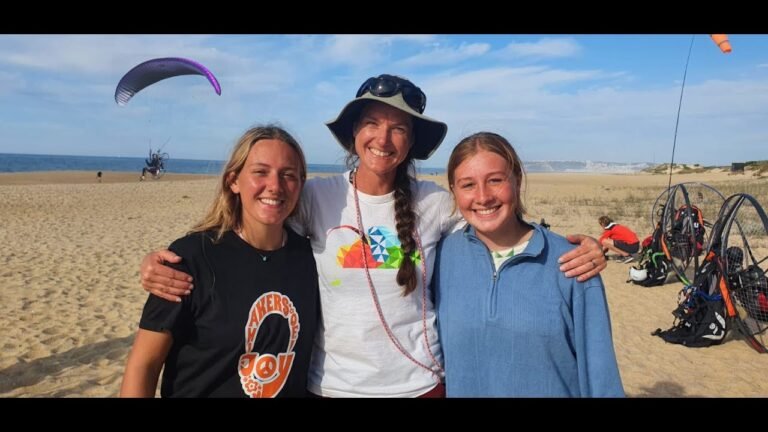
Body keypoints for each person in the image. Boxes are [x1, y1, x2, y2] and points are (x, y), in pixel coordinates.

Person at [138, 74, 607, 397]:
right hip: (332, 386)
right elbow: (253, 224)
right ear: (353, 133)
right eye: (372, 123)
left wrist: (573, 244)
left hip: (422, 385)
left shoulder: (434, 203)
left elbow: (497, 222)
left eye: (398, 128)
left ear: (411, 142)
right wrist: (166, 260)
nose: (383, 138)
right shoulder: (315, 197)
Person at [120, 125, 319, 397]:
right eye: (260, 172)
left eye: (288, 175)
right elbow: (143, 365)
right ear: (233, 181)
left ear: (300, 185)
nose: (275, 185)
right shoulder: (190, 258)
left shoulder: (312, 259)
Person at [434, 132, 624, 397]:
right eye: (467, 185)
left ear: (517, 180)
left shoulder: (573, 263)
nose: (483, 196)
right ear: (453, 191)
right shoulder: (441, 257)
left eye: (495, 180)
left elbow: (600, 374)